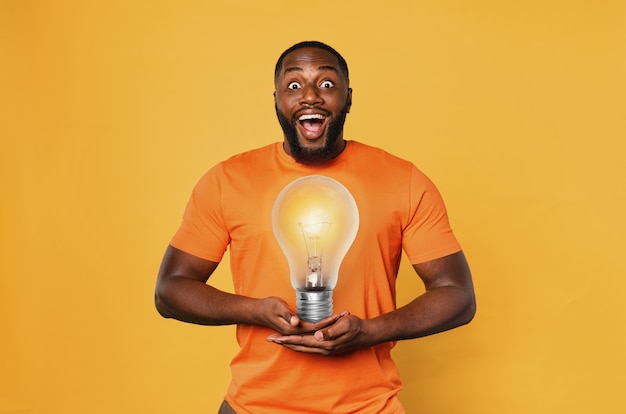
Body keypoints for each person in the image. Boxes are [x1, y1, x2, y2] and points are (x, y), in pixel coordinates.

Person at [155, 40, 476, 414]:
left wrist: (370, 332)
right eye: (294, 86)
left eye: (326, 84)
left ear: (348, 97)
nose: (310, 97)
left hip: (368, 407)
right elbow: (170, 290)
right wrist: (253, 309)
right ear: (276, 99)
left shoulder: (402, 180)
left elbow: (457, 296)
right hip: (254, 407)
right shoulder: (228, 180)